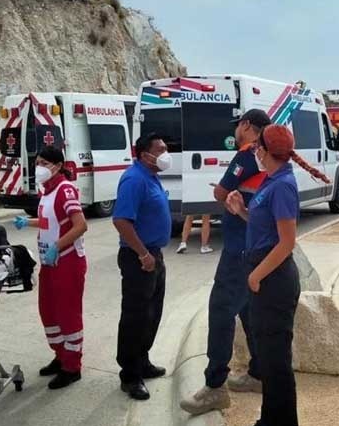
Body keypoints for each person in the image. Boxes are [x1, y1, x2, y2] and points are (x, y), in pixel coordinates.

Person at [225, 125, 330, 426]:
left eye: (258, 145)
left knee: (276, 362)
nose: (254, 150)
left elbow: (286, 242)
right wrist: (241, 211)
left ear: (268, 151)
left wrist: (255, 276)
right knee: (270, 360)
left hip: (273, 280)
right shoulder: (271, 180)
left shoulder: (282, 185)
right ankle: (270, 420)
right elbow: (266, 229)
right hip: (265, 275)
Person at [181, 108, 271, 415]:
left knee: (221, 310)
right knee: (247, 309)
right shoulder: (269, 157)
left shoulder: (247, 154)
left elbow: (221, 191)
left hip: (238, 249)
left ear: (247, 126)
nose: (235, 132)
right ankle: (259, 373)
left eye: (238, 126)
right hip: (257, 245)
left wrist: (227, 193)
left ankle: (215, 386)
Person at [13, 146, 88, 389]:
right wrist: (29, 222)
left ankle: (72, 366)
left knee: (67, 314)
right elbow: (50, 220)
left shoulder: (65, 190)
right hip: (50, 261)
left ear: (57, 165)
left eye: (44, 163)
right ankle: (60, 355)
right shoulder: (48, 191)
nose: (39, 167)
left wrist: (57, 245)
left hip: (67, 260)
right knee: (49, 312)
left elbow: (80, 225)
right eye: (38, 162)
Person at [112, 133, 172, 400]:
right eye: (160, 149)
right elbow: (122, 221)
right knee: (135, 317)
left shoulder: (151, 176)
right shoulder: (134, 179)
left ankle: (142, 361)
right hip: (139, 258)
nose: (165, 153)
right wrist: (144, 254)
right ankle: (130, 375)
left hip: (153, 255)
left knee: (152, 313)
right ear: (144, 153)